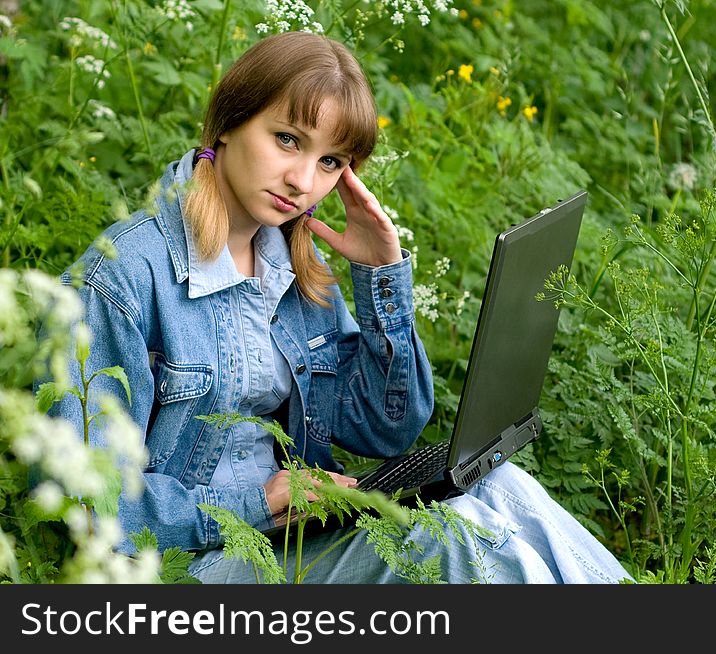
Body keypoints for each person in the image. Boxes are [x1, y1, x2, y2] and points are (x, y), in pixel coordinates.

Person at [49, 31, 632, 584]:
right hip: (191, 563)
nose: (303, 180)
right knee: (453, 540)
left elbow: (384, 426)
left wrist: (382, 274)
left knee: (503, 487)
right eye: (288, 140)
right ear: (229, 124)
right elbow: (83, 494)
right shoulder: (125, 275)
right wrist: (260, 502)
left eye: (331, 162)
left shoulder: (293, 267)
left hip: (293, 537)